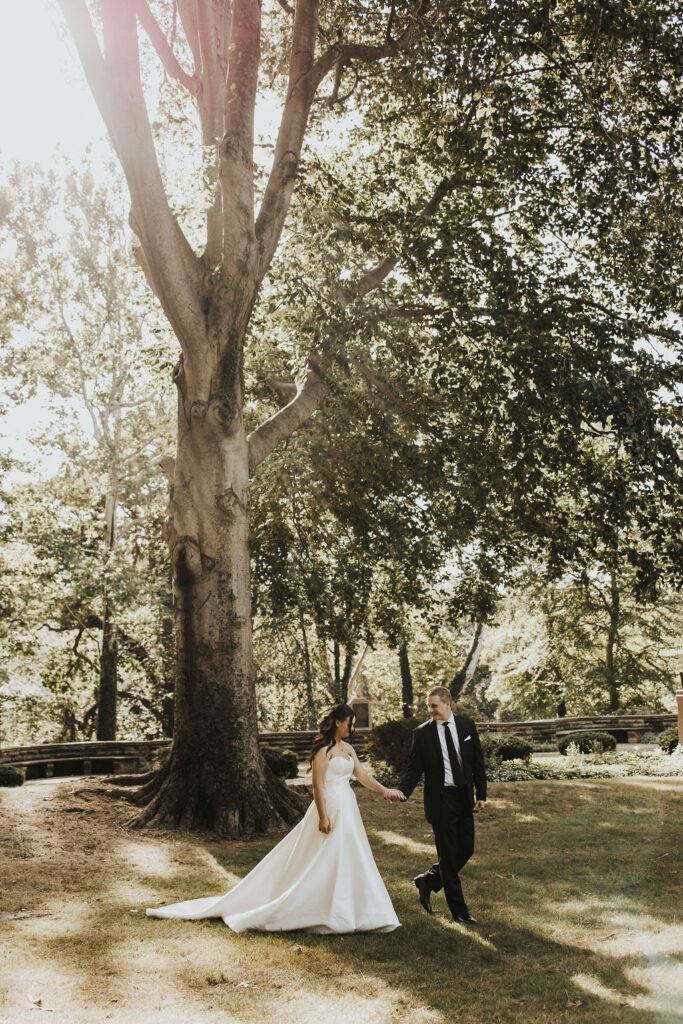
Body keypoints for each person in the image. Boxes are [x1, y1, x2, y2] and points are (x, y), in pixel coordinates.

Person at [146, 704, 404, 933]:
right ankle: (319, 909)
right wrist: (323, 816)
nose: (352, 728)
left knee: (351, 854)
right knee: (323, 857)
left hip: (348, 807)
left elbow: (362, 776)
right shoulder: (323, 751)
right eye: (349, 723)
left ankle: (357, 910)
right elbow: (318, 786)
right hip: (330, 806)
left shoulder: (347, 749)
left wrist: (384, 791)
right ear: (338, 721)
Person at [397, 686, 487, 924]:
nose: (430, 710)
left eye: (434, 706)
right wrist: (402, 791)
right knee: (448, 855)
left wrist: (482, 794)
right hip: (441, 801)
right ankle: (460, 912)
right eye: (428, 706)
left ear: (447, 703)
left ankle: (428, 880)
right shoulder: (422, 733)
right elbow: (414, 768)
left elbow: (478, 761)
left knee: (466, 849)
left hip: (464, 797)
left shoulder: (467, 727)